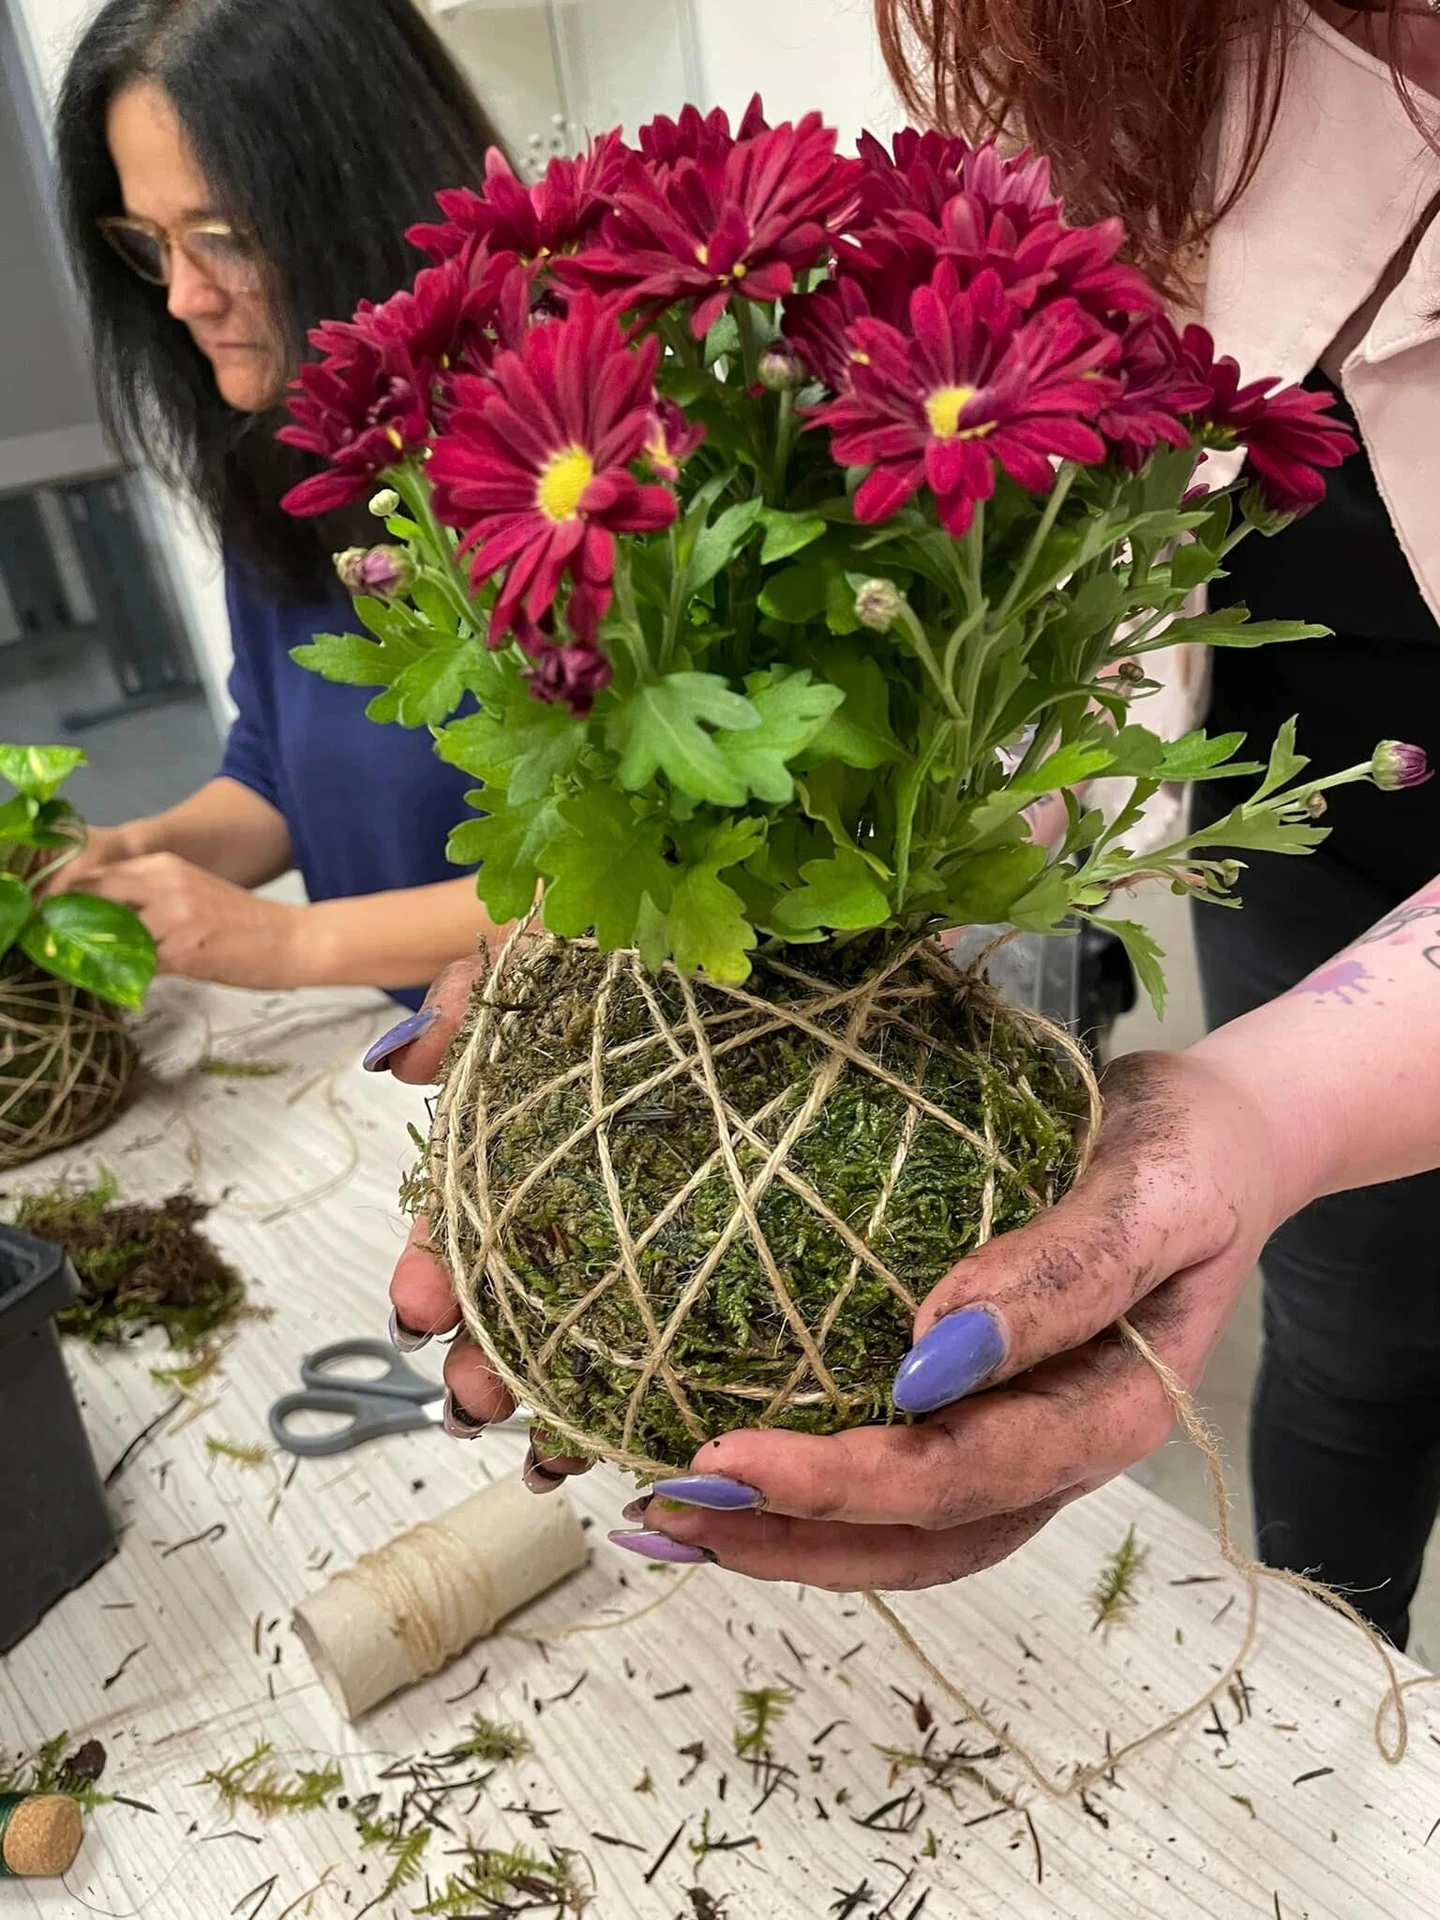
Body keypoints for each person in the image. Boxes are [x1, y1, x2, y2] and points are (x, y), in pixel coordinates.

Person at [378, 0, 1440, 1637]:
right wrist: (690, 878)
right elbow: (991, 544)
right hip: (1307, 793)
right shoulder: (1151, 50)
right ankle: (1319, 1682)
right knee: (1357, 1323)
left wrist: (1270, 1108)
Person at [51, 0, 510, 1008]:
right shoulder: (280, 453)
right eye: (149, 240)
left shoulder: (557, 483)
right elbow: (278, 777)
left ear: (370, 203)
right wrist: (141, 851)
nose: (180, 297)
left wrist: (300, 944)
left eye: (220, 236)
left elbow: (641, 880)